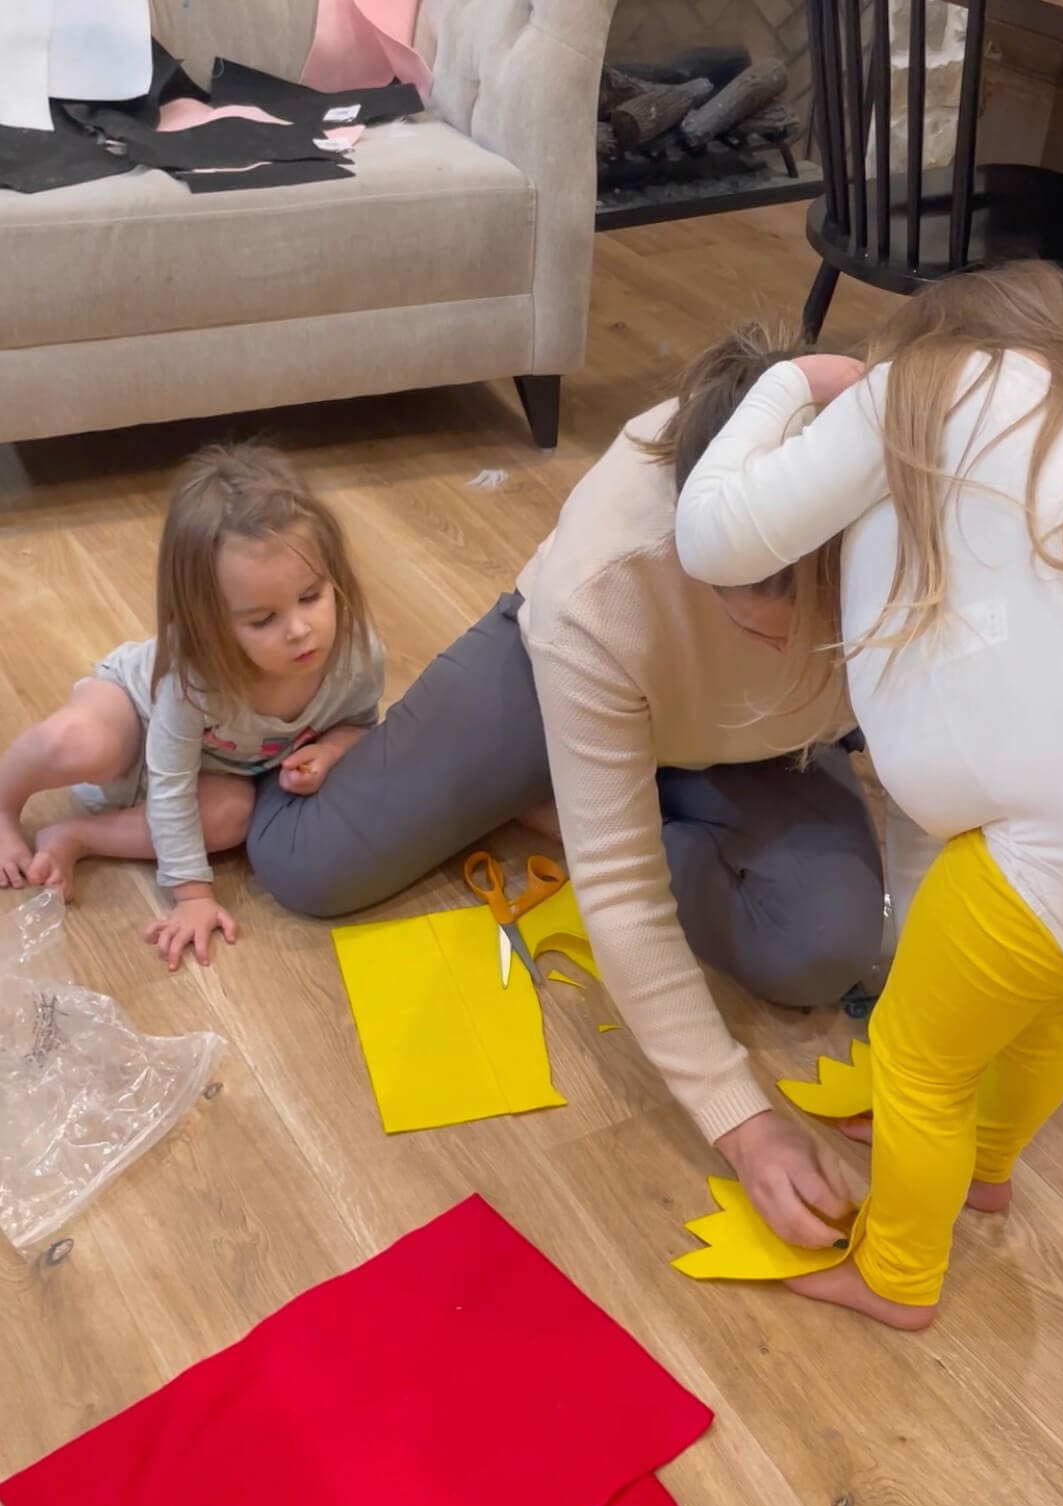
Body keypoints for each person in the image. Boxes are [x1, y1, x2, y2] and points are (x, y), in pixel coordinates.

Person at [247, 327, 895, 1233]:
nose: (790, 648)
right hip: (567, 670)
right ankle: (566, 782)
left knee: (822, 949)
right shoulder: (606, 575)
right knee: (307, 864)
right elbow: (624, 896)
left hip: (759, 745)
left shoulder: (917, 518)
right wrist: (742, 1124)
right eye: (755, 623)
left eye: (816, 619)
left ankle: (581, 800)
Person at [675, 260, 1063, 1328]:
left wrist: (795, 386)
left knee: (918, 1057)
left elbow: (712, 532)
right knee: (1046, 1008)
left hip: (1052, 843)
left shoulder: (914, 389)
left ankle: (898, 1274)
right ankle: (990, 1170)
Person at [0, 444, 384, 970]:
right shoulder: (192, 678)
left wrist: (334, 752)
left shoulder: (355, 657)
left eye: (312, 595)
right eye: (261, 619)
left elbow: (359, 722)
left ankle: (76, 837)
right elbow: (170, 781)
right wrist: (193, 896)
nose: (299, 630)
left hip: (213, 763)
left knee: (232, 819)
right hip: (133, 710)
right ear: (208, 622)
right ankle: (3, 802)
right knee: (77, 744)